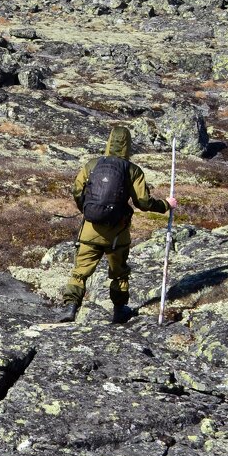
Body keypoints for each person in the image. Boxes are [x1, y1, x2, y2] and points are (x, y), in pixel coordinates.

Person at [61, 125, 177, 324]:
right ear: (128, 145)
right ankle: (119, 311)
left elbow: (77, 191)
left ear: (108, 142)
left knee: (80, 272)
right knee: (119, 274)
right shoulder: (132, 170)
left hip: (90, 229)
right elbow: (143, 202)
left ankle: (70, 309)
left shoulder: (92, 165)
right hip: (117, 233)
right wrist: (166, 204)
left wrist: (88, 211)